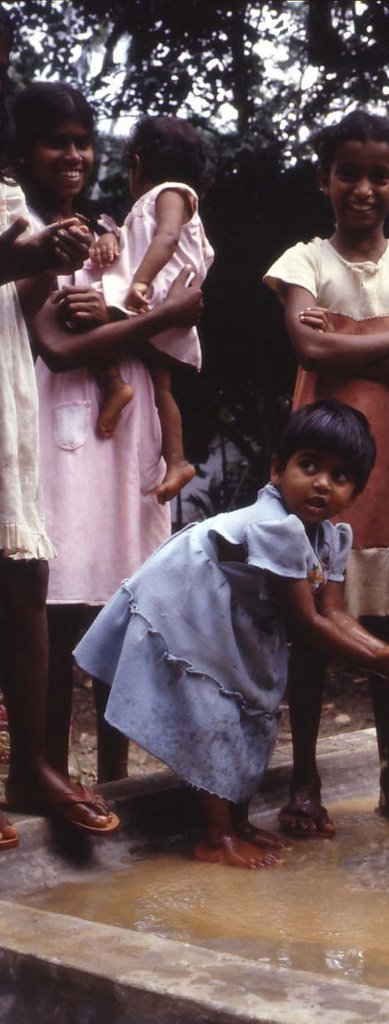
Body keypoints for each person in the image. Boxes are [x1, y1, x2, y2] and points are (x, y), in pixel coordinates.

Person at [74, 400, 389, 868]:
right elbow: (308, 625)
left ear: (354, 493)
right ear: (278, 469)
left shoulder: (328, 536)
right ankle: (215, 837)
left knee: (250, 711)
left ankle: (235, 823)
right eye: (309, 466)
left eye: (340, 477)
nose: (322, 483)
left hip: (225, 613)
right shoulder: (277, 526)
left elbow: (333, 612)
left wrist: (386, 653)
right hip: (186, 600)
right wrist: (378, 661)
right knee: (213, 712)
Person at [265, 109, 389, 838]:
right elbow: (306, 352)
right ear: (325, 178)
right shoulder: (303, 261)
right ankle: (306, 783)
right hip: (322, 472)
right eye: (348, 171)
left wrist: (357, 341)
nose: (363, 187)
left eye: (380, 174)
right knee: (313, 625)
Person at [10, 82, 197, 787]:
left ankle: (115, 774)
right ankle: (46, 770)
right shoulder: (23, 233)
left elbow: (140, 310)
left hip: (122, 422)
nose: (74, 154)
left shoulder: (101, 224)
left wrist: (126, 308)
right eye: (58, 141)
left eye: (84, 141)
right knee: (54, 603)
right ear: (24, 149)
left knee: (122, 598)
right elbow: (56, 345)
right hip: (59, 424)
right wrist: (163, 314)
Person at [0, 5, 119, 846]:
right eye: (56, 141)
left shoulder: (12, 200)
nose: (70, 157)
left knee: (23, 581)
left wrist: (63, 282)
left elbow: (38, 334)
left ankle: (30, 768)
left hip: (6, 405)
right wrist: (42, 257)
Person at [85, 114, 214, 504]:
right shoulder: (142, 210)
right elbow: (129, 242)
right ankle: (176, 461)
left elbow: (168, 238)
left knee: (86, 317)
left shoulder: (171, 194)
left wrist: (140, 281)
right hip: (162, 302)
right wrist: (109, 238)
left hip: (154, 294)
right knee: (163, 387)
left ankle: (114, 384)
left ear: (137, 164)